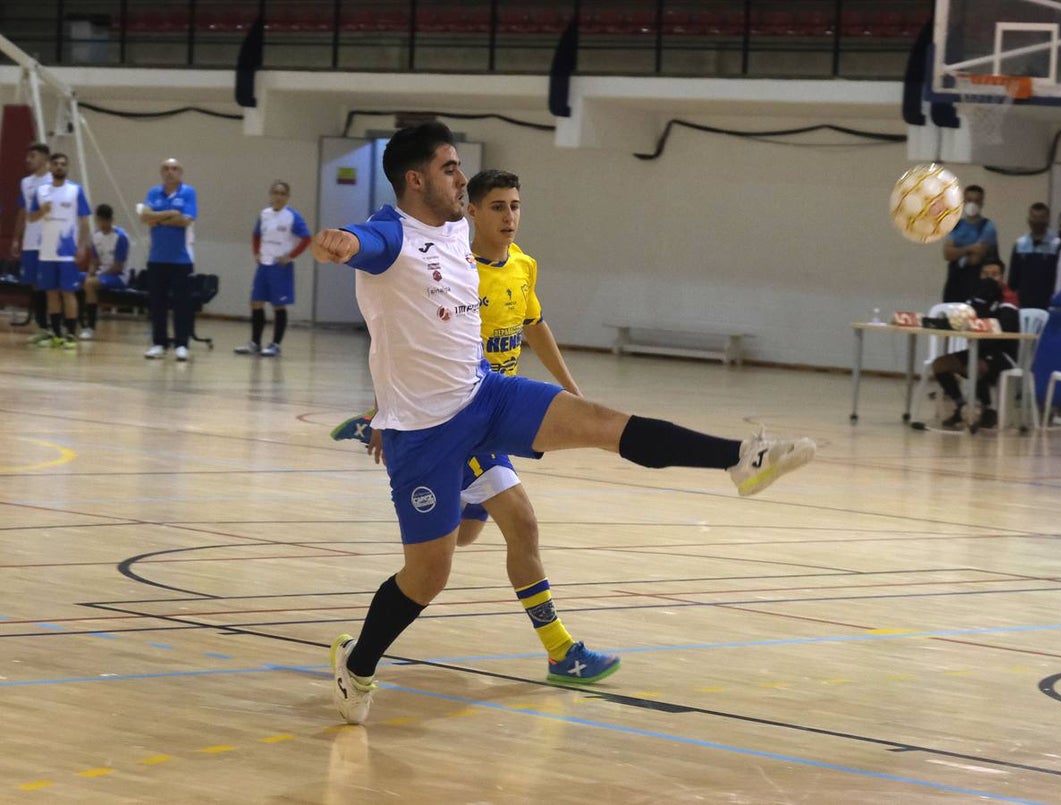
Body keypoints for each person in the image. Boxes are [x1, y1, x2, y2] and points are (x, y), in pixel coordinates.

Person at [310, 122, 817, 725]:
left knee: (604, 424)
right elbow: (364, 243)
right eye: (450, 168)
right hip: (424, 434)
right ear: (415, 179)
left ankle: (741, 458)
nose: (461, 178)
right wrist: (340, 243)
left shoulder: (457, 232)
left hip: (485, 396)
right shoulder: (391, 234)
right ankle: (359, 663)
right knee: (428, 576)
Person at [334, 168, 620, 688]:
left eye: (515, 206)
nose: (509, 217)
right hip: (457, 420)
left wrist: (571, 391)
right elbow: (400, 339)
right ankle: (562, 652)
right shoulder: (453, 268)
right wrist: (385, 410)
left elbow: (534, 325)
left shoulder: (524, 266)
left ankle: (428, 514)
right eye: (497, 207)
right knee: (523, 524)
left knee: (462, 537)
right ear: (471, 212)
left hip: (496, 419)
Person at [931, 260, 1020, 431]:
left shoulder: (1008, 297)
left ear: (1002, 277)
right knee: (940, 365)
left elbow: (1005, 327)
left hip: (1003, 353)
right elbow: (960, 320)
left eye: (994, 274)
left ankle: (988, 409)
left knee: (975, 366)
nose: (989, 278)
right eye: (985, 274)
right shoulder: (977, 295)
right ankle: (960, 406)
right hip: (978, 350)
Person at [234, 180, 311, 357]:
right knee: (256, 302)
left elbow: (306, 238)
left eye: (282, 193)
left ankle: (275, 344)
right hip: (264, 265)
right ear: (270, 195)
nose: (278, 196)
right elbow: (256, 235)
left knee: (278, 305)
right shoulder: (264, 214)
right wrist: (256, 253)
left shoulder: (292, 216)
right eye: (275, 192)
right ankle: (254, 342)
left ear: (287, 197)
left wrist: (290, 256)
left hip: (280, 267)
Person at [27, 153, 91, 350]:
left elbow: (85, 222)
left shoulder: (75, 190)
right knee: (51, 293)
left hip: (66, 252)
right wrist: (41, 212)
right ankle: (55, 334)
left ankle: (70, 334)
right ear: (49, 166)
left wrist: (81, 246)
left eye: (63, 164)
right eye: (56, 164)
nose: (59, 167)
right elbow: (31, 218)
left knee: (68, 293)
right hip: (46, 251)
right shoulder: (41, 191)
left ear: (67, 167)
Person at [139, 158, 196, 361]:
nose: (170, 172)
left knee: (181, 304)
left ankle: (182, 344)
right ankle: (159, 343)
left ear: (180, 172)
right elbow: (144, 217)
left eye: (174, 168)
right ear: (161, 172)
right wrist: (171, 213)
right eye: (165, 168)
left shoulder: (188, 192)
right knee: (157, 304)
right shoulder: (153, 192)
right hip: (156, 258)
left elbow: (185, 220)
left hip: (181, 260)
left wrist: (157, 217)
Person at [11, 143, 53, 345]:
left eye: (33, 156)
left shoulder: (55, 181)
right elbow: (22, 211)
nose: (28, 160)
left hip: (50, 241)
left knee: (50, 285)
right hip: (30, 242)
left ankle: (57, 328)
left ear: (45, 159)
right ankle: (43, 327)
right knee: (35, 285)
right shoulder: (25, 183)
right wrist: (16, 238)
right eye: (27, 156)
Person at [80, 204, 130, 340]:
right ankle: (75, 319)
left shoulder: (121, 237)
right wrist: (91, 272)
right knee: (76, 278)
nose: (102, 224)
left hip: (118, 276)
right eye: (99, 220)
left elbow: (118, 267)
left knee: (90, 284)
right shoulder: (96, 236)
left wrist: (98, 276)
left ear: (111, 220)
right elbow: (95, 261)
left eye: (104, 221)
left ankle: (90, 327)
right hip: (102, 273)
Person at [942, 184, 998, 303]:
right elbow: (947, 254)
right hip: (954, 281)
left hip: (976, 282)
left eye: (976, 201)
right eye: (969, 200)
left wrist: (958, 252)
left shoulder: (987, 226)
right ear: (963, 202)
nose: (972, 204)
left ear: (982, 203)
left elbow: (977, 257)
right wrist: (970, 249)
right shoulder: (956, 225)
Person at [1007, 202, 1060, 310]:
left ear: (1047, 220)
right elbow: (1013, 278)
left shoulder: (1056, 244)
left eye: (1041, 218)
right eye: (1034, 217)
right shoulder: (1020, 244)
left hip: (1048, 301)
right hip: (1024, 301)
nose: (1037, 222)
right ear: (1029, 219)